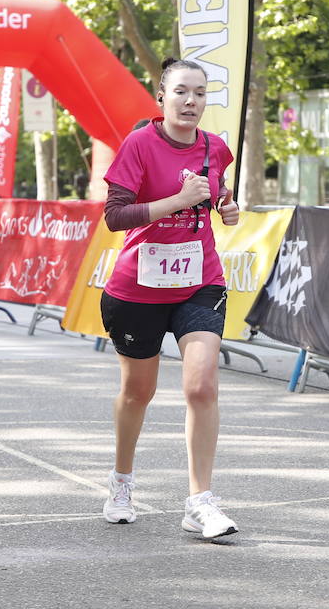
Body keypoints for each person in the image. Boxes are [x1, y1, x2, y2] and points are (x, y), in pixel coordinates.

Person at [99, 57, 242, 540]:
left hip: (200, 280)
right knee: (139, 392)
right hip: (138, 286)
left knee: (201, 386)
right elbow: (115, 217)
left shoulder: (216, 148)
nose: (191, 102)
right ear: (161, 96)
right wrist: (176, 203)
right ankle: (121, 483)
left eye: (200, 93)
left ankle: (200, 502)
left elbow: (218, 196)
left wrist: (227, 207)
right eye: (181, 92)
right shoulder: (139, 144)